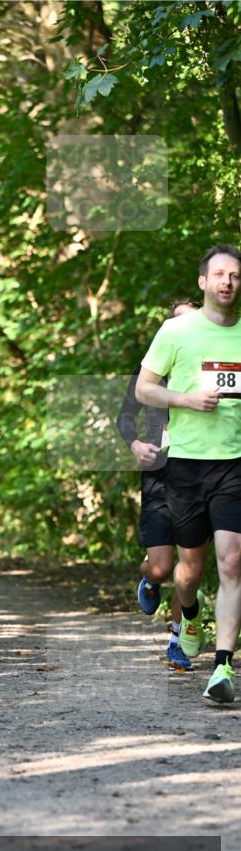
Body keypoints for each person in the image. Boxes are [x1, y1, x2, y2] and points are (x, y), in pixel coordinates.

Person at [136, 244, 241, 704]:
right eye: (219, 274)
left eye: (235, 276)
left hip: (235, 464)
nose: (227, 282)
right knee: (189, 570)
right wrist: (186, 400)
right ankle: (190, 613)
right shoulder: (176, 331)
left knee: (233, 562)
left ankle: (221, 667)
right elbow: (144, 389)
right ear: (203, 282)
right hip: (184, 466)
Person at [116, 299, 199, 671]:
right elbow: (125, 418)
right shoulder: (151, 369)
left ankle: (178, 640)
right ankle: (149, 579)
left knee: (190, 565)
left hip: (201, 472)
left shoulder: (211, 368)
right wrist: (135, 445)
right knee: (163, 569)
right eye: (176, 322)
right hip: (159, 474)